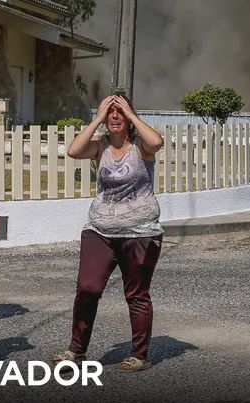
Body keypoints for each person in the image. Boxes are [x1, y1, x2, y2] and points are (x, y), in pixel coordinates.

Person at [54, 95, 164, 372]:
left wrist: (130, 111)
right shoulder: (99, 146)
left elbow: (156, 142)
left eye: (120, 113)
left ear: (128, 117)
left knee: (136, 294)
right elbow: (73, 150)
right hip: (100, 229)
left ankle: (140, 354)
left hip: (140, 231)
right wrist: (97, 118)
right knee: (87, 288)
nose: (115, 116)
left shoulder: (140, 147)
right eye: (110, 112)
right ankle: (76, 350)